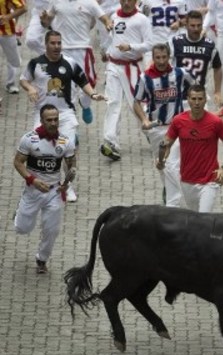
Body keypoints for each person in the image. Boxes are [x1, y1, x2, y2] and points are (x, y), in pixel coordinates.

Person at [20, 30, 107, 203]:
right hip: (42, 113)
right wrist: (30, 89)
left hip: (65, 113)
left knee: (68, 149)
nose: (56, 46)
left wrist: (93, 95)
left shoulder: (70, 63)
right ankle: (41, 184)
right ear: (46, 44)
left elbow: (83, 82)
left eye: (59, 43)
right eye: (53, 43)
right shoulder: (35, 63)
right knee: (39, 149)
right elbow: (23, 80)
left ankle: (67, 187)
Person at [13, 105, 76, 274]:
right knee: (22, 228)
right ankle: (19, 213)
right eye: (49, 120)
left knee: (52, 230)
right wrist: (33, 180)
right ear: (41, 120)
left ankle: (42, 259)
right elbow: (18, 162)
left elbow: (71, 166)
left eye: (56, 119)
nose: (53, 123)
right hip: (33, 191)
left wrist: (67, 183)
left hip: (53, 192)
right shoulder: (29, 139)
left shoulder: (65, 142)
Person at [156, 84, 223, 213]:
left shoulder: (216, 122)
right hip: (187, 180)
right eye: (193, 99)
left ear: (205, 100)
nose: (197, 103)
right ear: (188, 100)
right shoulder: (178, 121)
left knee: (203, 219)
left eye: (200, 99)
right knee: (195, 220)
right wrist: (162, 159)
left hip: (210, 180)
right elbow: (166, 144)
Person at [133, 43, 194, 208]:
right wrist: (144, 119)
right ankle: (169, 191)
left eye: (164, 57)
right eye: (157, 58)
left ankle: (172, 207)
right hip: (156, 130)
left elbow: (196, 89)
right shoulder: (145, 78)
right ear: (152, 59)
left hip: (178, 127)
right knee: (162, 166)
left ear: (169, 57)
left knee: (170, 164)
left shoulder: (181, 73)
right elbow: (136, 102)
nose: (161, 61)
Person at [39, 0, 113, 125]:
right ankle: (71, 128)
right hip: (63, 52)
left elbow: (104, 18)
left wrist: (108, 24)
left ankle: (85, 104)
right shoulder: (56, 2)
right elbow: (47, 23)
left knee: (88, 85)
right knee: (66, 90)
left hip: (83, 50)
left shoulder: (90, 2)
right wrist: (43, 20)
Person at [99, 0, 153, 161]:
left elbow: (149, 44)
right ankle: (110, 142)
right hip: (113, 66)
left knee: (135, 105)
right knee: (112, 103)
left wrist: (131, 47)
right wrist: (106, 50)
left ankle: (153, 134)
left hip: (132, 68)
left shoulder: (142, 19)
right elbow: (112, 38)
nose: (126, 3)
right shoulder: (114, 16)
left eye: (130, 0)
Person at [171, 10, 222, 101]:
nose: (196, 29)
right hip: (178, 97)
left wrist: (217, 91)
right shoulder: (175, 42)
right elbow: (160, 61)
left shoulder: (210, 46)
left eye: (199, 25)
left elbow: (217, 67)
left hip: (200, 96)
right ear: (186, 25)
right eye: (192, 26)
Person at [0, 0, 25, 94]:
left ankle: (10, 83)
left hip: (7, 31)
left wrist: (8, 17)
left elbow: (23, 8)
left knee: (14, 60)